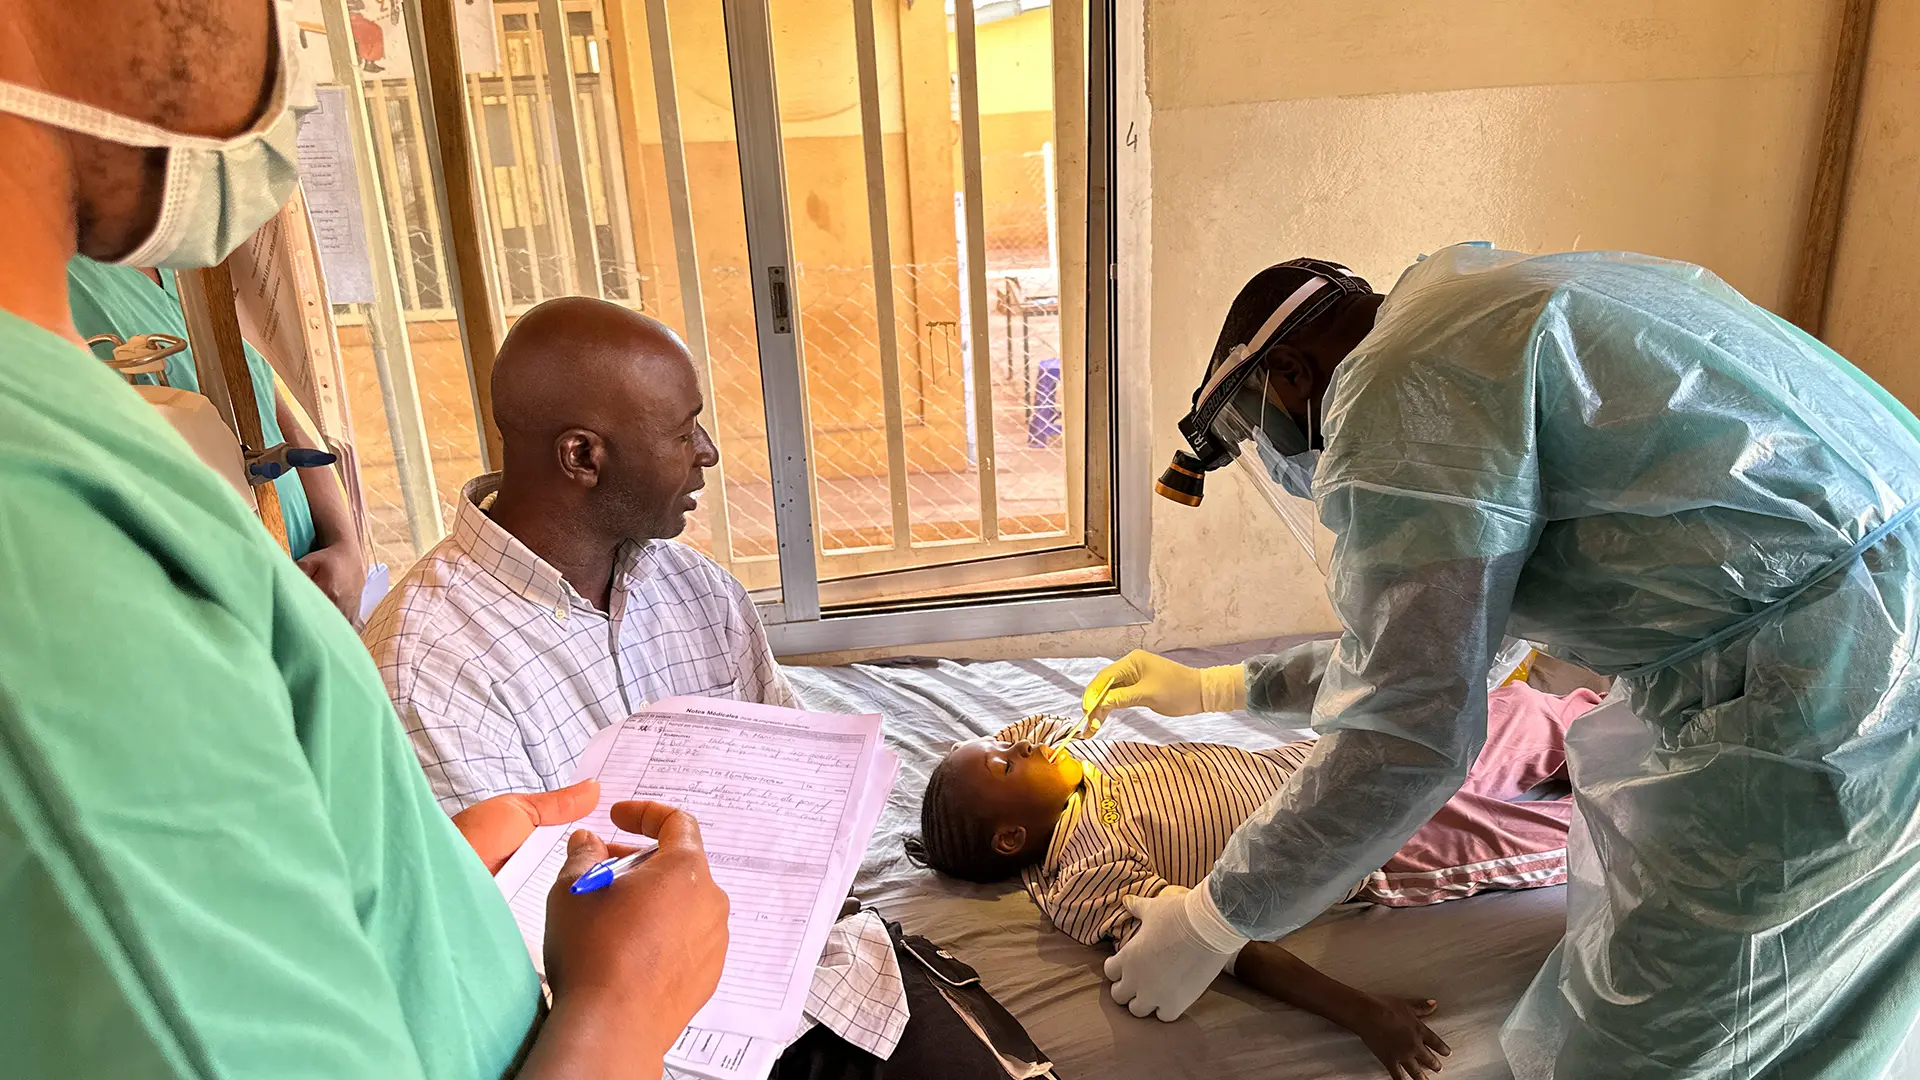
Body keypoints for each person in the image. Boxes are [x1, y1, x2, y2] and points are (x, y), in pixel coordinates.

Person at [0, 2, 727, 1077]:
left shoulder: (81, 430)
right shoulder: (46, 542)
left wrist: (424, 885)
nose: (289, 34)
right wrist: (624, 1005)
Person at [1092, 247, 1920, 1078]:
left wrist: (1213, 922)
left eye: (1251, 429)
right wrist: (1218, 685)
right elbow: (1443, 641)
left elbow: (1408, 725)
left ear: (1290, 372)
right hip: (1865, 635)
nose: (1278, 459)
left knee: (1666, 1042)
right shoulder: (1480, 316)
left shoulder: (1401, 388)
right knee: (1836, 1005)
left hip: (1827, 683)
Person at [909, 681, 1597, 1079]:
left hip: (1334, 759)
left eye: (1006, 741)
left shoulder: (1069, 756)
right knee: (1567, 834)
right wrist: (1360, 1013)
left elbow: (1021, 735)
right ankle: (1643, 813)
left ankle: (1634, 730)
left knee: (1515, 710)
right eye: (1005, 762)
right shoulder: (1081, 871)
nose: (1022, 742)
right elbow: (1213, 945)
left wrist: (987, 758)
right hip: (1367, 844)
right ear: (1010, 838)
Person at [364, 295, 798, 812]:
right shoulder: (433, 671)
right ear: (583, 456)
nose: (708, 452)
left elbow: (794, 773)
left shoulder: (699, 590)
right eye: (683, 434)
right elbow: (503, 869)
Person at [67, 254, 368, 620]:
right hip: (213, 610)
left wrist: (346, 546)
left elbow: (276, 417)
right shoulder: (57, 286)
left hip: (313, 582)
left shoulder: (195, 270)